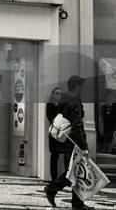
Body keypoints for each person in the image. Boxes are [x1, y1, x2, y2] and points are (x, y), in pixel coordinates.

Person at [44, 76, 94, 210]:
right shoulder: (74, 102)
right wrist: (83, 147)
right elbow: (77, 126)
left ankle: (76, 202)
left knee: (73, 171)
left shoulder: (63, 100)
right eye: (82, 85)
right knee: (74, 171)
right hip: (74, 142)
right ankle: (52, 189)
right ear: (77, 86)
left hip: (66, 141)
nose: (84, 88)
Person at [46, 87, 67, 181]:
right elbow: (50, 117)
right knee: (54, 155)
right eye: (57, 93)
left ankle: (65, 177)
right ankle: (53, 178)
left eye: (60, 94)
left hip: (62, 132)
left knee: (65, 154)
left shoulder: (62, 105)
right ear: (53, 94)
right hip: (54, 132)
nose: (59, 95)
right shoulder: (50, 105)